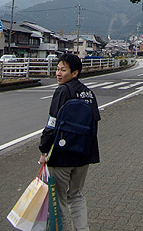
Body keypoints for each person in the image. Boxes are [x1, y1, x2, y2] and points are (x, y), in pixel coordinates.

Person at [39, 53, 100, 231]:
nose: (58, 73)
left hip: (61, 156)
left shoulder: (62, 91)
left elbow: (52, 123)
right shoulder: (88, 93)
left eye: (63, 70)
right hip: (84, 155)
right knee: (76, 195)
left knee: (58, 200)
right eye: (57, 69)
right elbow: (94, 124)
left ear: (74, 73)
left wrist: (44, 150)